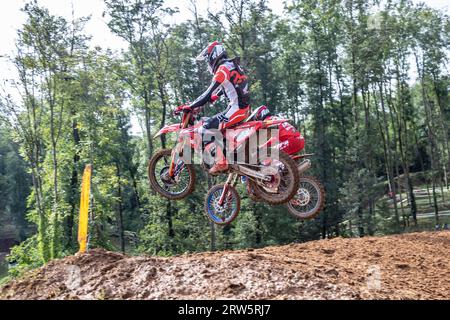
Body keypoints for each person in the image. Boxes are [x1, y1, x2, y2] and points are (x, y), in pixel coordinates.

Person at [175, 41, 251, 175]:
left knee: (205, 128)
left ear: (213, 55)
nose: (208, 63)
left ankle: (221, 161)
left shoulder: (222, 69)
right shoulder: (232, 65)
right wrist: (215, 96)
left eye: (208, 59)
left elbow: (207, 93)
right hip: (243, 109)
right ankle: (229, 156)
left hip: (236, 109)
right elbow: (233, 85)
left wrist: (191, 106)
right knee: (215, 126)